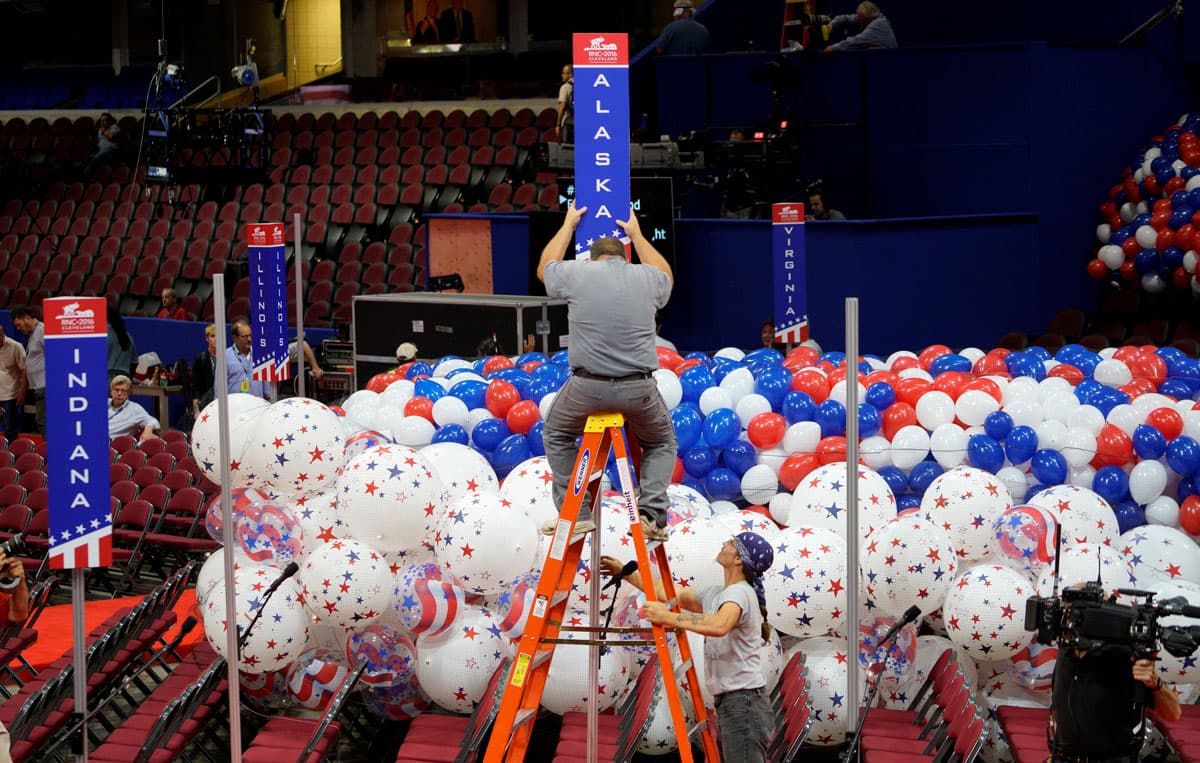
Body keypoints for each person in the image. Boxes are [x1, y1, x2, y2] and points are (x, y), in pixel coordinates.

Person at [538, 202, 675, 542]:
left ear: (592, 258)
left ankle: (579, 513)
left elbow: (545, 269)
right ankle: (650, 514)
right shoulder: (645, 277)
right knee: (660, 441)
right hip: (638, 389)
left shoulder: (577, 272)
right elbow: (666, 276)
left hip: (588, 388)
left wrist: (568, 225)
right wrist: (638, 235)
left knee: (556, 433)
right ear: (625, 258)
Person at [600, 532, 776, 762]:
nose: (724, 542)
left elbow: (720, 624)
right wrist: (626, 573)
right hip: (736, 703)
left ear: (738, 559)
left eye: (731, 543)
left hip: (743, 704)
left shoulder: (739, 592)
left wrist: (669, 618)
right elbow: (670, 593)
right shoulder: (720, 593)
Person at [9, 307, 44, 436]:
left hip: (46, 387)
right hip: (37, 388)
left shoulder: (42, 331)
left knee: (43, 422)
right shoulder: (32, 335)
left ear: (27, 318)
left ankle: (50, 452)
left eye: (19, 324)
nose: (18, 328)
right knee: (41, 422)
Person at [824, 1, 897, 52]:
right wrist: (832, 23)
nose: (858, 20)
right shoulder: (871, 16)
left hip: (888, 60)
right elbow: (846, 18)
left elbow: (856, 41)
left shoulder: (878, 25)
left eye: (861, 18)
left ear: (868, 18)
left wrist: (834, 47)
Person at [107, 375, 159, 442]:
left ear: (128, 393)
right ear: (111, 391)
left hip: (111, 445)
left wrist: (148, 430)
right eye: (116, 390)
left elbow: (153, 421)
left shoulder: (134, 409)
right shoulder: (103, 403)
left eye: (123, 391)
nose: (119, 393)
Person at [226, 318, 268, 399]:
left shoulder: (260, 353)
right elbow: (219, 388)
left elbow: (266, 386)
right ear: (235, 337)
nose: (249, 339)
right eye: (244, 336)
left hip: (257, 405)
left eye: (250, 335)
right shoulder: (225, 356)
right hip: (235, 406)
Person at [0, 325, 25, 443]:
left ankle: (12, 457)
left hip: (9, 395)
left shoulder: (16, 347)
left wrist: (22, 392)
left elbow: (25, 370)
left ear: (2, 337)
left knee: (9, 428)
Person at [190, 324, 219, 418]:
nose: (216, 339)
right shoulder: (201, 359)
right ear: (207, 338)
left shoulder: (227, 357)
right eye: (213, 336)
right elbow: (196, 387)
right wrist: (196, 410)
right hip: (206, 403)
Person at [83, 112, 120, 179]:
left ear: (109, 121)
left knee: (95, 158)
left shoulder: (114, 127)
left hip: (111, 153)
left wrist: (103, 130)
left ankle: (85, 178)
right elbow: (100, 142)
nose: (102, 122)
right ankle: (82, 176)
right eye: (101, 120)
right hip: (101, 151)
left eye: (104, 120)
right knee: (88, 157)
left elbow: (111, 137)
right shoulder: (100, 130)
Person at [107, 310, 137, 380]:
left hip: (106, 379)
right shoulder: (127, 335)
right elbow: (134, 362)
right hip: (124, 379)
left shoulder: (101, 336)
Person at [557, 64, 574, 145]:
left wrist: (558, 125)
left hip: (570, 123)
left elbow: (562, 107)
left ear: (570, 74)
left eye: (564, 73)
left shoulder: (565, 87)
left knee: (568, 148)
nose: (562, 75)